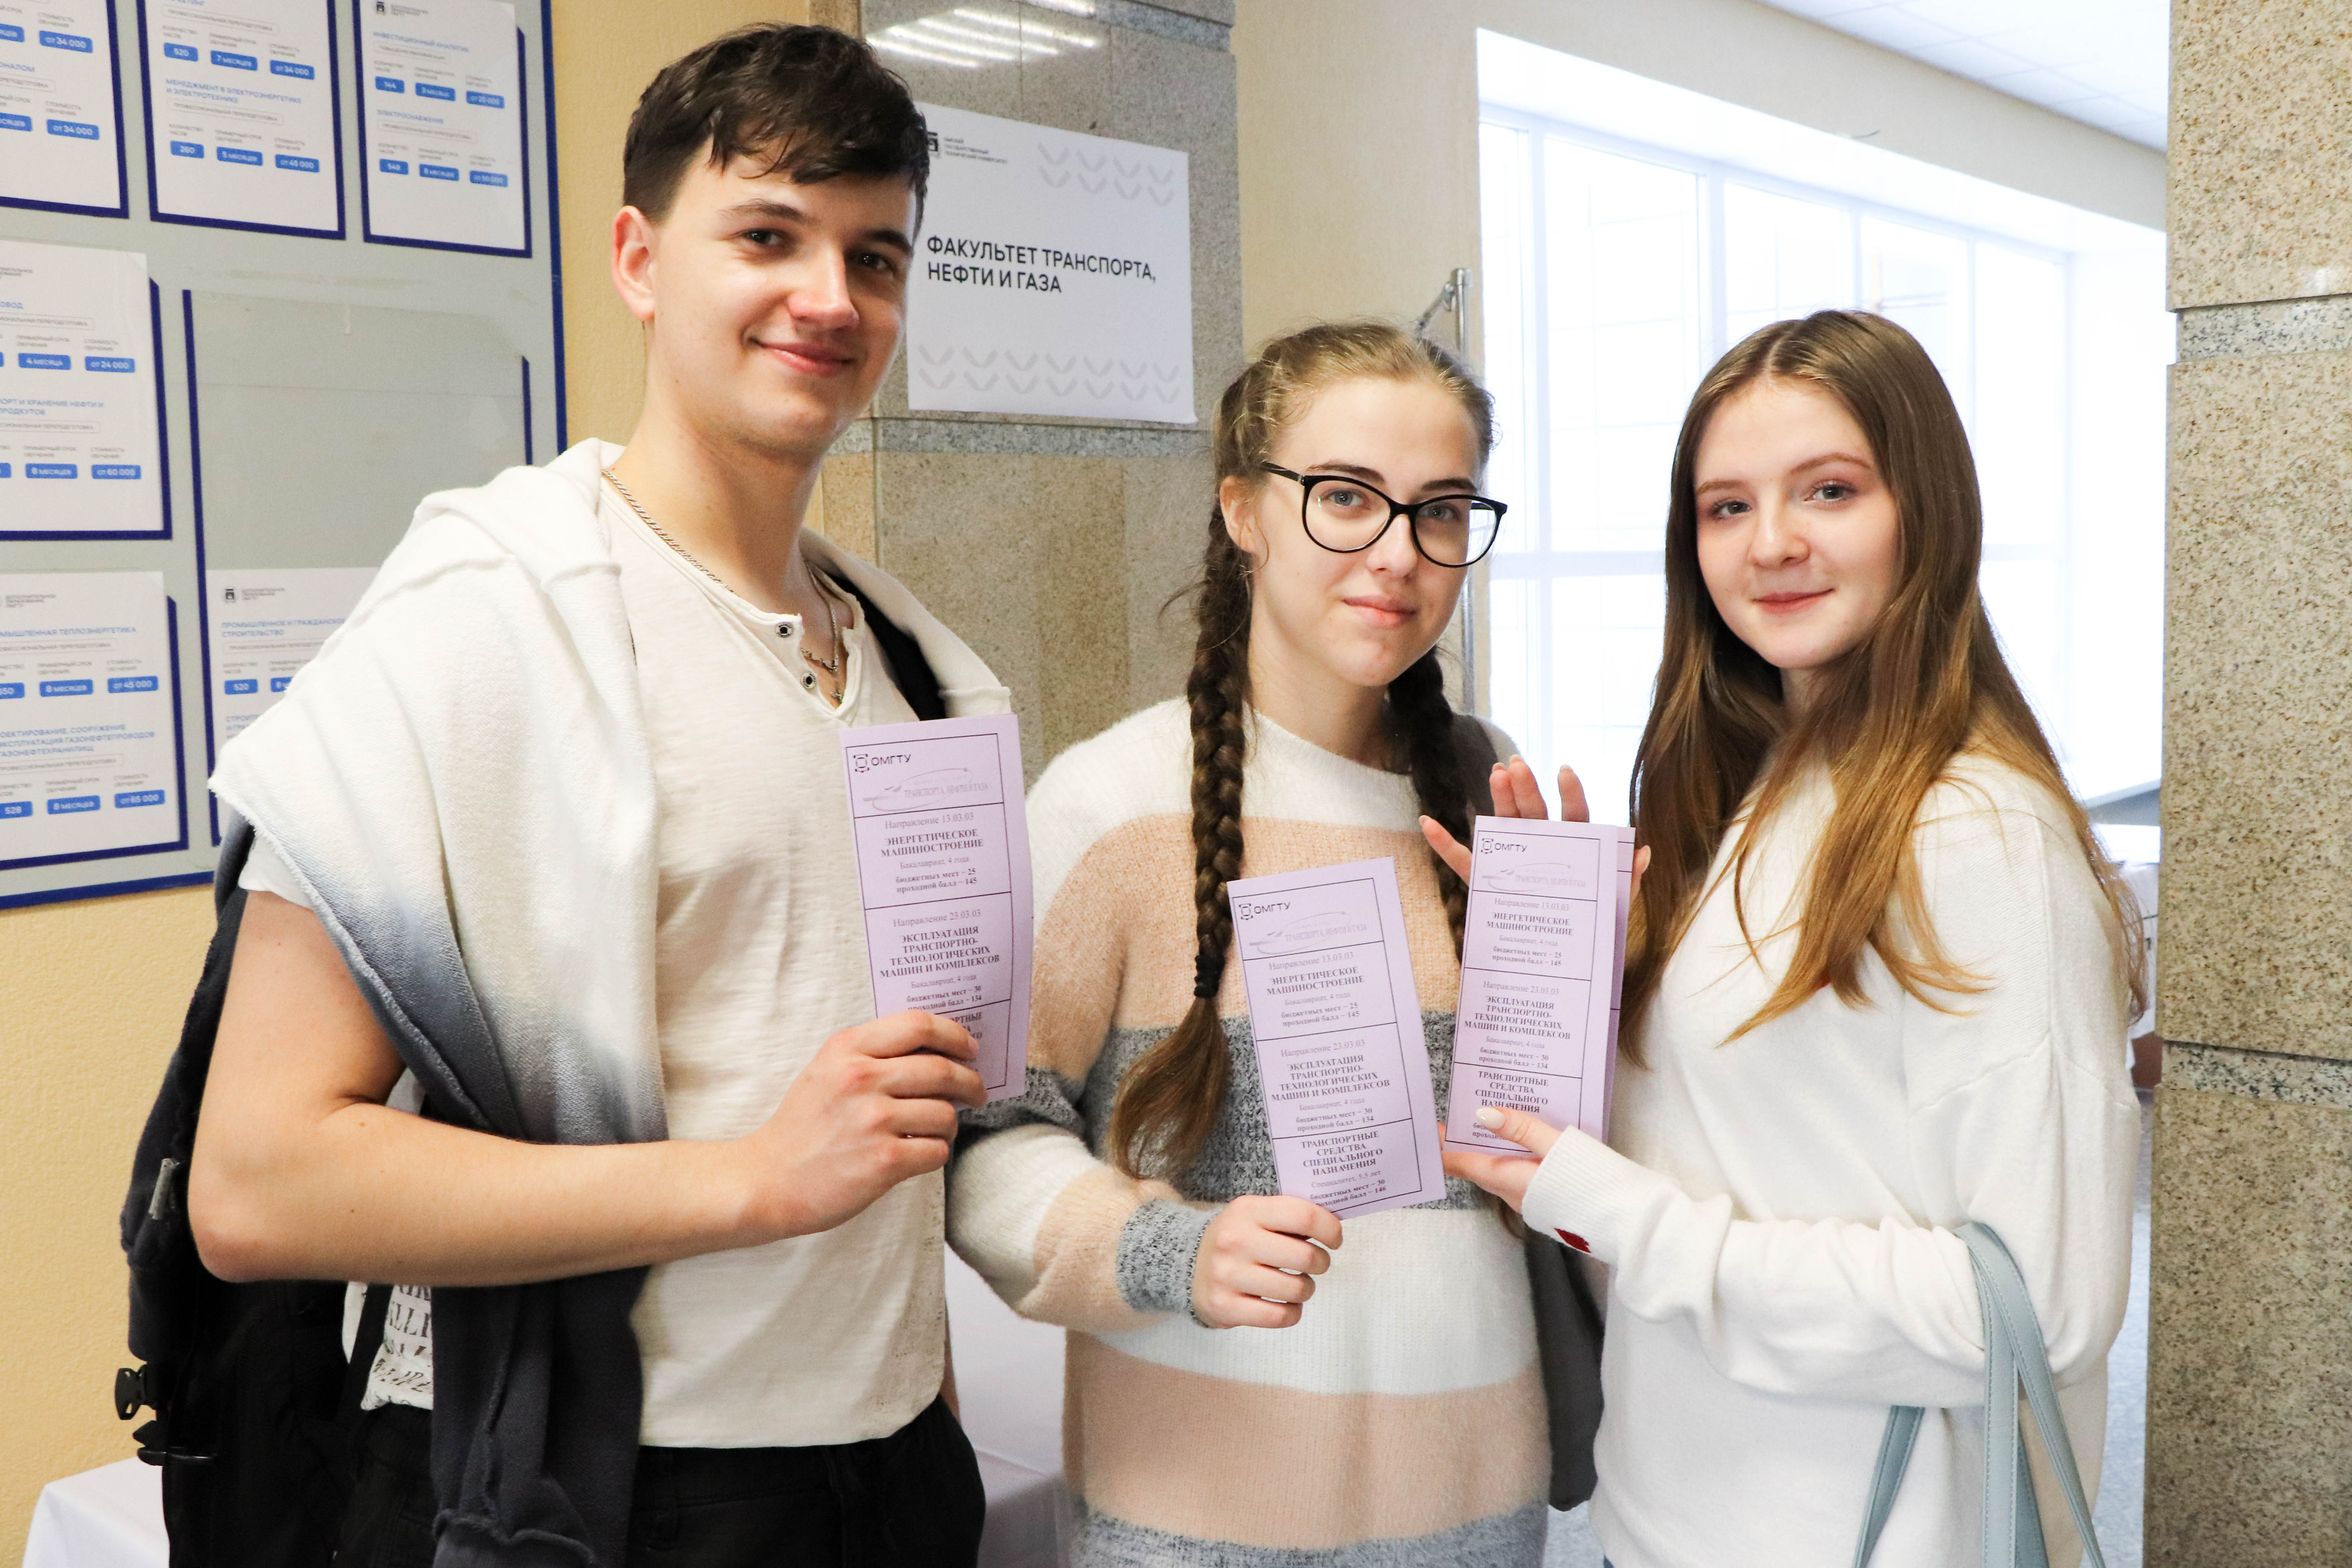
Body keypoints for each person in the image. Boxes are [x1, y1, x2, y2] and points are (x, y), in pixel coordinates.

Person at [185, 26, 997, 1568]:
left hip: (888, 1468)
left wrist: (920, 1403)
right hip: (597, 1490)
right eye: (767, 236)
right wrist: (752, 1184)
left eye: (875, 256)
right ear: (638, 258)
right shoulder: (488, 619)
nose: (830, 298)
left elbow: (901, 1136)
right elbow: (259, 1182)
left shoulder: (921, 671)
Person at [1433, 310, 2143, 1568]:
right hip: (1672, 1514)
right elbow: (1758, 1144)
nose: (1770, 544)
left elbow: (2035, 1312)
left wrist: (1620, 1215)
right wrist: (1570, 988)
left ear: (1927, 510)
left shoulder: (1974, 832)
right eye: (1725, 507)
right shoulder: (1757, 787)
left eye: (1828, 490)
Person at [949, 321, 1554, 1565]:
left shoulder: (1485, 783)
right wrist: (1172, 1252)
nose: (1398, 553)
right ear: (1243, 512)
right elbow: (978, 1137)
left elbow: (1536, 1157)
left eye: (1442, 511)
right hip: (1197, 1526)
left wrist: (1596, 982)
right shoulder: (1110, 806)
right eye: (1346, 498)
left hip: (1480, 1512)